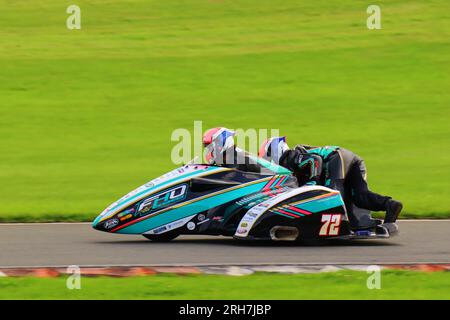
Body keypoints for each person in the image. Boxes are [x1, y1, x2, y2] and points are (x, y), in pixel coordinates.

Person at [258, 137, 403, 225]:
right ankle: (390, 205)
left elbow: (315, 160)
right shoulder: (295, 157)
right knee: (360, 196)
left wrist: (312, 182)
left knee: (332, 193)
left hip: (336, 157)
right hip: (353, 159)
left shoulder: (290, 157)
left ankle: (338, 225)